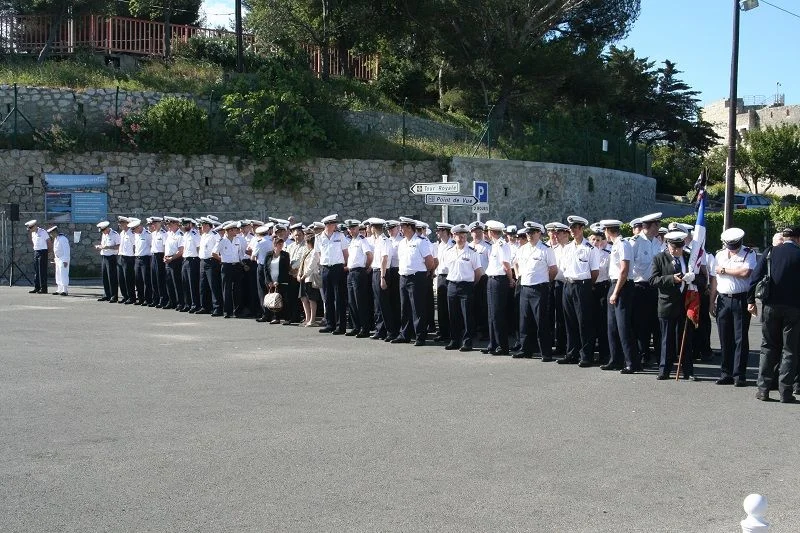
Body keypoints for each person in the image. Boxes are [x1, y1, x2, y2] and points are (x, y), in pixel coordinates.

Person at [750, 226, 800, 402]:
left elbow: (755, 277)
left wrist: (750, 301)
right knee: (790, 350)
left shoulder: (770, 252)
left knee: (768, 347)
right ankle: (785, 392)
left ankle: (763, 389)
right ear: (797, 239)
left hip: (770, 305)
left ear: (784, 237)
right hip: (794, 308)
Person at [710, 227, 756, 386]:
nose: (733, 249)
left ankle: (739, 375)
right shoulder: (720, 254)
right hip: (723, 299)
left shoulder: (749, 253)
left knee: (740, 339)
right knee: (724, 338)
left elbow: (746, 273)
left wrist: (724, 270)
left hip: (740, 299)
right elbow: (715, 279)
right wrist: (712, 300)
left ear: (740, 242)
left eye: (735, 246)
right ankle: (726, 373)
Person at [649, 230, 695, 381]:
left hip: (685, 303)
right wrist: (671, 279)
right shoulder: (659, 258)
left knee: (685, 339)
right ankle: (664, 369)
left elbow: (701, 278)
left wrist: (693, 278)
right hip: (667, 304)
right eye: (674, 248)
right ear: (668, 245)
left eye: (680, 248)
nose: (677, 251)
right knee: (666, 339)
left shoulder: (689, 258)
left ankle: (687, 370)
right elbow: (653, 280)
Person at [558, 215, 599, 367]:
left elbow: (594, 272)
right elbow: (563, 268)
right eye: (571, 228)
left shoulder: (590, 248)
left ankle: (586, 356)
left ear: (582, 229)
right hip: (568, 285)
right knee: (570, 321)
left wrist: (586, 285)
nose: (573, 231)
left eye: (576, 228)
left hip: (582, 286)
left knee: (584, 322)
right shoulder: (567, 248)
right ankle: (572, 353)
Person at [513, 222, 557, 360]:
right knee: (524, 321)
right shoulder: (523, 249)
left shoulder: (546, 249)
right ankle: (525, 349)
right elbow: (516, 263)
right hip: (525, 287)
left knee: (541, 321)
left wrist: (545, 282)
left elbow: (554, 269)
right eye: (528, 233)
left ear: (539, 233)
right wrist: (520, 275)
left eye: (532, 233)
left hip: (539, 288)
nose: (530, 235)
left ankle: (546, 352)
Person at [602, 219, 637, 373]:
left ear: (608, 230)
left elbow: (624, 270)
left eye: (605, 231)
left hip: (622, 286)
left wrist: (616, 292)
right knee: (612, 326)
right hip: (614, 284)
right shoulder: (615, 245)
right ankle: (615, 359)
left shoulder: (623, 244)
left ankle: (631, 362)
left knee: (623, 326)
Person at [442, 224, 484, 352]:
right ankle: (455, 340)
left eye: (464, 235)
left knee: (467, 316)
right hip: (452, 285)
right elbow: (446, 269)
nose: (462, 238)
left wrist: (471, 285)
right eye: (459, 236)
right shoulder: (448, 252)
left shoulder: (472, 252)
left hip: (466, 286)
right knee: (453, 316)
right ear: (454, 236)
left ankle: (467, 342)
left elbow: (479, 273)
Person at [393, 217, 435, 346]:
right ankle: (405, 334)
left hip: (417, 277)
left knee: (418, 308)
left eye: (403, 227)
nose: (401, 230)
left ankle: (420, 336)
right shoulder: (402, 243)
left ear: (409, 228)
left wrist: (426, 272)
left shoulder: (420, 242)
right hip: (403, 277)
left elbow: (430, 261)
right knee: (404, 307)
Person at [631, 212, 663, 368]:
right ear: (651, 225)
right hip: (641, 287)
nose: (660, 228)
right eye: (658, 225)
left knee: (656, 323)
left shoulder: (658, 243)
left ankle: (659, 356)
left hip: (656, 287)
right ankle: (643, 354)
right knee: (641, 324)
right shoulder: (635, 242)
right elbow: (629, 266)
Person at [481, 220, 514, 355]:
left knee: (497, 314)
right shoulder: (495, 245)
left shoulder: (501, 245)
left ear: (491, 232)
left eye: (487, 231)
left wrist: (510, 280)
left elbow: (506, 266)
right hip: (491, 279)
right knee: (491, 314)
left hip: (499, 280)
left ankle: (502, 345)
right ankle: (493, 343)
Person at [316, 214, 349, 334]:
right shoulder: (319, 237)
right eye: (333, 223)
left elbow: (345, 252)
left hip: (338, 268)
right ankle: (330, 324)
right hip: (326, 268)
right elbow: (319, 253)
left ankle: (341, 326)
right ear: (327, 225)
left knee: (339, 297)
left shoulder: (339, 236)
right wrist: (322, 264)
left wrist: (346, 265)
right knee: (328, 297)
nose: (335, 225)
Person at [344, 219, 374, 337]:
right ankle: (356, 326)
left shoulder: (362, 240)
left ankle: (364, 328)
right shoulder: (351, 241)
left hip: (359, 272)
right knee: (352, 302)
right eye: (350, 228)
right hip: (351, 272)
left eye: (354, 228)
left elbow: (370, 256)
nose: (352, 230)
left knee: (360, 301)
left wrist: (366, 267)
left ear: (357, 228)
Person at [589, 224, 611, 365]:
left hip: (602, 288)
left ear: (603, 241)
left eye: (598, 240)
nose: (595, 243)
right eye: (593, 239)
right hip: (589, 288)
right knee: (590, 322)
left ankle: (604, 354)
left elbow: (608, 273)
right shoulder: (587, 253)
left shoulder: (607, 255)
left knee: (602, 323)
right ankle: (590, 353)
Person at [433, 223, 454, 343]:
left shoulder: (453, 244)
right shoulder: (439, 245)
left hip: (450, 277)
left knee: (450, 306)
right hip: (440, 277)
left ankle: (453, 332)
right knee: (441, 307)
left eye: (439, 230)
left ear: (445, 231)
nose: (437, 233)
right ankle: (443, 332)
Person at [197, 217, 222, 316]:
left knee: (213, 286)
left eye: (203, 225)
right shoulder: (204, 235)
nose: (201, 227)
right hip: (203, 261)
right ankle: (205, 306)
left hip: (212, 261)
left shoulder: (214, 235)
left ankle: (217, 307)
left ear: (208, 225)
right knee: (203, 286)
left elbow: (216, 249)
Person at [264, 237, 292, 324]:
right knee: (274, 300)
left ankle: (287, 318)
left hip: (282, 281)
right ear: (274, 245)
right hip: (271, 281)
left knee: (284, 299)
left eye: (282, 244)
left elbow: (286, 269)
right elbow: (266, 269)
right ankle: (276, 318)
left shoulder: (285, 255)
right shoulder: (268, 254)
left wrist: (278, 281)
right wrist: (269, 281)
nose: (281, 246)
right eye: (279, 244)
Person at [297, 228, 321, 327]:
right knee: (304, 298)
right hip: (304, 277)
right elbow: (301, 263)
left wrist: (304, 275)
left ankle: (312, 319)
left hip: (310, 277)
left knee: (312, 299)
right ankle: (307, 318)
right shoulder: (307, 251)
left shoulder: (314, 252)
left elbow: (311, 265)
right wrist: (299, 274)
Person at [250, 224, 273, 322]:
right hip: (272, 266)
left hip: (262, 266)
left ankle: (266, 313)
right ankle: (274, 312)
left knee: (262, 291)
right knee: (271, 290)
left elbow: (253, 257)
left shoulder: (259, 242)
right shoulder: (272, 240)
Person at [179, 218, 202, 313]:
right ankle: (187, 304)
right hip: (185, 260)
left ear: (191, 224)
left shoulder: (195, 234)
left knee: (193, 284)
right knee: (185, 284)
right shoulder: (185, 234)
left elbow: (198, 248)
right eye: (183, 225)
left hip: (193, 260)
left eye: (185, 224)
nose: (183, 226)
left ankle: (195, 304)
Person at [163, 216, 184, 310]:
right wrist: (165, 256)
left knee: (177, 283)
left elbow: (181, 251)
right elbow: (166, 248)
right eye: (167, 225)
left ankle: (180, 303)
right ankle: (172, 302)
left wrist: (171, 258)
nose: (168, 226)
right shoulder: (168, 234)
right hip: (168, 259)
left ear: (176, 224)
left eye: (170, 224)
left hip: (176, 260)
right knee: (169, 282)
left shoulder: (180, 235)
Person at [95, 221, 120, 302]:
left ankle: (114, 296)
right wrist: (100, 247)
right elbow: (104, 245)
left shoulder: (115, 234)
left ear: (107, 228)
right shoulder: (104, 234)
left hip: (111, 257)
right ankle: (107, 294)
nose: (103, 232)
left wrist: (107, 247)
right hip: (104, 257)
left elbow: (118, 246)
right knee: (105, 277)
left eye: (103, 230)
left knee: (112, 277)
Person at [147, 217, 168, 308]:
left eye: (155, 223)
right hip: (153, 256)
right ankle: (155, 299)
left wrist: (164, 257)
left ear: (160, 223)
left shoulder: (164, 234)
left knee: (160, 280)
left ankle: (163, 300)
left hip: (160, 256)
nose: (154, 225)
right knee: (154, 279)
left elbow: (164, 247)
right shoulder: (153, 234)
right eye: (153, 224)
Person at [130, 218, 152, 306]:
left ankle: (148, 299)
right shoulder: (136, 235)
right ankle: (140, 298)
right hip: (137, 259)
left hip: (145, 259)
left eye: (134, 229)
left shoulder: (147, 234)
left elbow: (151, 246)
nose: (133, 231)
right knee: (138, 280)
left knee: (146, 280)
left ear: (139, 227)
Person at [25, 219, 50, 294]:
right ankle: (37, 287)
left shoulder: (43, 232)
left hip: (43, 251)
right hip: (36, 251)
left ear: (35, 226)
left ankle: (44, 288)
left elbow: (49, 242)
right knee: (36, 271)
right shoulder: (33, 233)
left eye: (30, 228)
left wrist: (50, 252)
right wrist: (35, 249)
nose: (30, 230)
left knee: (42, 271)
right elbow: (34, 243)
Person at [116, 216, 135, 304]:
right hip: (121, 257)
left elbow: (135, 246)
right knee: (121, 279)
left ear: (127, 224)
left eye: (122, 223)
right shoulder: (122, 233)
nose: (120, 225)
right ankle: (125, 296)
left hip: (129, 258)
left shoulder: (132, 233)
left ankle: (131, 297)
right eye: (120, 223)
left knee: (129, 279)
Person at [47, 226, 70, 296]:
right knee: (58, 275)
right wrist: (55, 258)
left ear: (54, 232)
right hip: (58, 259)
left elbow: (66, 250)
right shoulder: (56, 239)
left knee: (63, 274)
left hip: (63, 259)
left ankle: (65, 290)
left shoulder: (63, 239)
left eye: (51, 233)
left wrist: (65, 260)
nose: (50, 235)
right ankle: (59, 289)